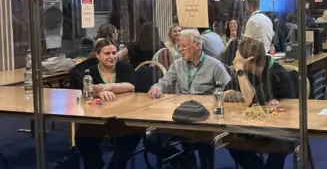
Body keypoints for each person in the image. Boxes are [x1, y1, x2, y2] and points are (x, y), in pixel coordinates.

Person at [148, 29, 231, 169]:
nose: (180, 49)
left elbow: (230, 91)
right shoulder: (177, 64)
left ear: (197, 46)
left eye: (184, 46)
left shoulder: (215, 66)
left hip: (205, 118)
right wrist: (157, 88)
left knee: (205, 139)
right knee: (150, 140)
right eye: (179, 46)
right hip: (180, 116)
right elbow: (164, 82)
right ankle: (184, 160)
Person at [226, 38, 296, 169]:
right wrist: (243, 95)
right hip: (255, 126)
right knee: (229, 140)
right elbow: (225, 92)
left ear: (250, 60)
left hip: (282, 130)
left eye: (238, 57)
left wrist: (240, 71)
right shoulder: (248, 72)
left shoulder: (277, 74)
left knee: (277, 151)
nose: (235, 59)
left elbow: (251, 102)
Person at [75, 39, 139, 169]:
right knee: (82, 137)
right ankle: (95, 164)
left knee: (134, 133)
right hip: (99, 116)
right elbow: (88, 89)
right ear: (97, 55)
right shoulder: (90, 72)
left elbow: (130, 85)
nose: (112, 56)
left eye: (114, 52)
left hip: (123, 115)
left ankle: (116, 166)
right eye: (107, 53)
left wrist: (108, 87)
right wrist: (98, 93)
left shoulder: (124, 67)